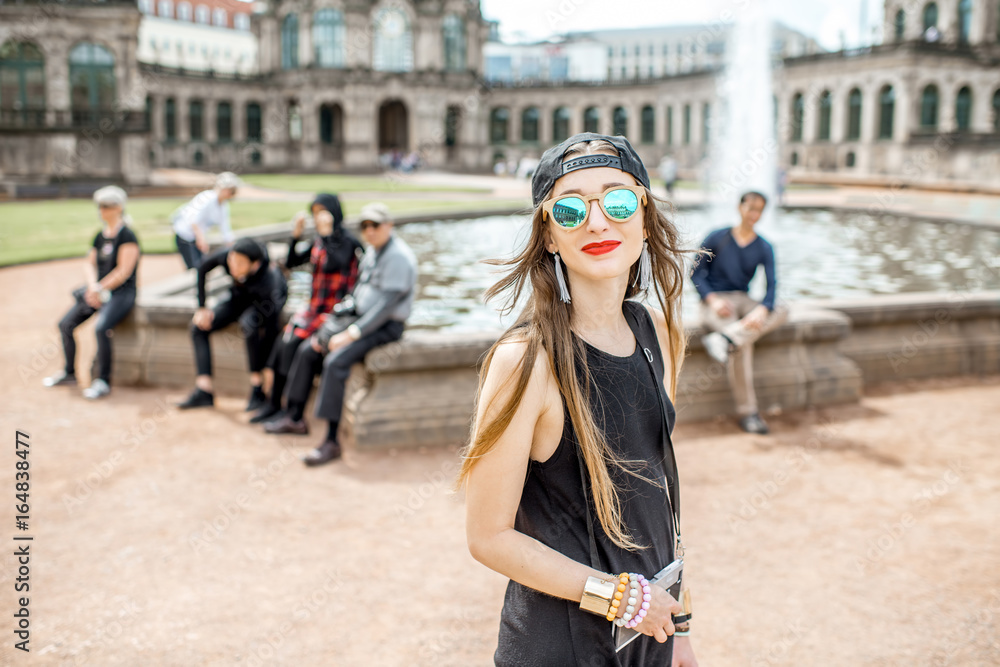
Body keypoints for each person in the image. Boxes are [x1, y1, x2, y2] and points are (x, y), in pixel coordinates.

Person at [457, 133, 698, 666]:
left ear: (645, 218)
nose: (597, 222)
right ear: (548, 234)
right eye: (570, 209)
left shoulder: (656, 332)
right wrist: (620, 599)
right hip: (563, 648)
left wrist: (679, 626)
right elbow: (488, 536)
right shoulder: (526, 360)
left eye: (618, 201)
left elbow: (661, 499)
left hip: (650, 633)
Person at [265, 203, 417, 467]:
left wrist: (351, 334)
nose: (369, 231)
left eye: (375, 225)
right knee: (309, 347)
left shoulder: (399, 257)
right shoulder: (373, 251)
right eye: (365, 226)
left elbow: (385, 307)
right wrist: (337, 322)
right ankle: (295, 416)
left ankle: (331, 441)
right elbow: (358, 293)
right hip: (358, 318)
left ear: (389, 226)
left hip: (385, 326)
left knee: (335, 362)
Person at [250, 193, 362, 424]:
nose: (318, 217)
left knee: (293, 345)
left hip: (333, 313)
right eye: (315, 212)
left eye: (322, 211)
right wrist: (296, 236)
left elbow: (336, 262)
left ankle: (290, 411)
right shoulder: (319, 240)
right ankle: (274, 404)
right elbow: (292, 262)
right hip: (313, 310)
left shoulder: (349, 242)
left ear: (334, 212)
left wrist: (326, 234)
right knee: (281, 343)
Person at [692, 191, 789, 435]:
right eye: (750, 208)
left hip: (743, 299)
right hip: (716, 301)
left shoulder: (764, 246)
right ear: (740, 207)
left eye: (759, 210)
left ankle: (727, 337)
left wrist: (763, 309)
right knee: (743, 345)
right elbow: (695, 273)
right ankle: (748, 413)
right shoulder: (717, 236)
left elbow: (772, 286)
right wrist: (712, 300)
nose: (754, 214)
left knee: (782, 309)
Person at [44, 186, 141, 400]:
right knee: (66, 325)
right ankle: (70, 372)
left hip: (121, 294)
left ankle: (102, 380)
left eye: (106, 206)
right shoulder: (100, 236)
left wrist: (99, 288)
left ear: (118, 208)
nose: (101, 210)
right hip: (97, 292)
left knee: (101, 328)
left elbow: (123, 271)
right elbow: (89, 263)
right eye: (100, 206)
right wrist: (92, 287)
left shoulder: (127, 236)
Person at [176, 238, 287, 410]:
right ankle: (204, 390)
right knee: (199, 327)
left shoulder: (269, 281)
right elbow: (202, 268)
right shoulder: (230, 256)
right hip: (238, 297)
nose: (233, 266)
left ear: (255, 264)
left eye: (240, 263)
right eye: (231, 260)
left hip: (260, 304)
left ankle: (257, 387)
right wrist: (202, 307)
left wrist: (268, 368)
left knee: (249, 325)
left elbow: (271, 329)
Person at [172, 171, 240, 269]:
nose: (231, 194)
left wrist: (232, 246)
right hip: (185, 236)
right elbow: (193, 220)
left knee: (202, 266)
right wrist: (201, 240)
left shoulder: (223, 206)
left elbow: (225, 228)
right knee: (194, 267)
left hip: (196, 238)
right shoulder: (207, 198)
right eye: (230, 190)